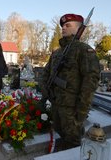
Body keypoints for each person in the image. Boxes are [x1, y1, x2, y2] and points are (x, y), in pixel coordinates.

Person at [41, 14, 100, 151]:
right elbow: (46, 74)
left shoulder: (84, 50)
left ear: (79, 29)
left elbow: (90, 82)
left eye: (68, 25)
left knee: (73, 143)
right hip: (56, 104)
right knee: (61, 136)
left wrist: (81, 111)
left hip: (72, 108)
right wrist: (46, 93)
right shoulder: (57, 53)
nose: (63, 28)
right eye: (62, 26)